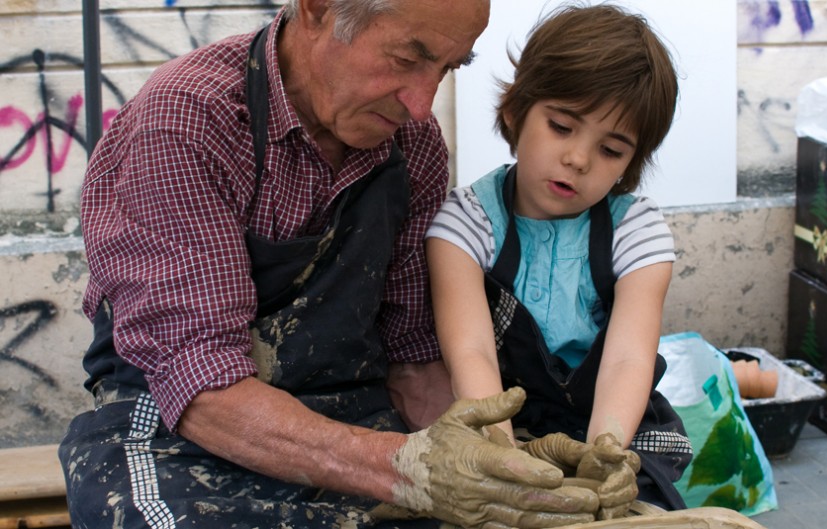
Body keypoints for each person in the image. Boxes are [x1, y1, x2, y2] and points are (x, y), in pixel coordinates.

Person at [58, 1, 639, 528]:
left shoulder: (414, 145)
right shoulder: (187, 123)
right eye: (409, 58)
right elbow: (203, 391)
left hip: (358, 422)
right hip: (178, 434)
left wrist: (500, 461)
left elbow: (413, 363)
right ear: (318, 9)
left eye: (448, 69)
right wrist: (407, 469)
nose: (421, 103)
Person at [425, 3, 695, 513]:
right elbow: (472, 356)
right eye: (562, 126)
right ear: (515, 110)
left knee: (638, 512)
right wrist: (506, 465)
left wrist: (604, 458)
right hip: (501, 422)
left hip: (614, 422)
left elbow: (625, 360)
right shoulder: (465, 223)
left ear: (630, 164)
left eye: (611, 150)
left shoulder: (636, 232)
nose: (579, 159)